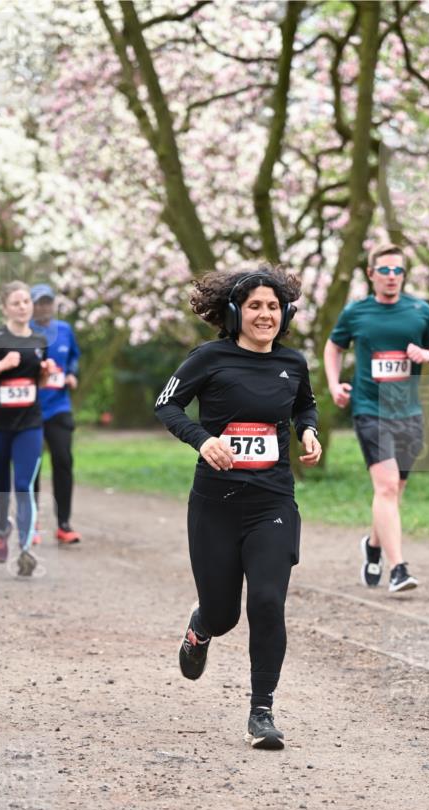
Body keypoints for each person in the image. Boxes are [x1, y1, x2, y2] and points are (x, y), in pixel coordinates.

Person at [155, 265, 321, 750]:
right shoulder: (208, 359)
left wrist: (307, 430)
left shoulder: (293, 363)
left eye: (273, 306)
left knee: (267, 602)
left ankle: (262, 711)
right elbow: (166, 406)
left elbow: (304, 406)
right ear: (235, 312)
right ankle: (202, 626)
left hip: (272, 501)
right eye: (254, 306)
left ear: (284, 312)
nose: (265, 314)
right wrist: (203, 440)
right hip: (215, 506)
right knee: (224, 614)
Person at [324, 243, 429, 593]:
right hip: (369, 409)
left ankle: (373, 546)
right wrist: (334, 384)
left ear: (404, 276)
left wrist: (427, 354)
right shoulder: (355, 312)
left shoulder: (421, 311)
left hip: (408, 412)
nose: (392, 277)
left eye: (398, 271)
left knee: (396, 489)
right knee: (387, 486)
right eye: (385, 270)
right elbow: (333, 347)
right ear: (371, 274)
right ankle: (398, 569)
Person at [0, 281, 57, 577]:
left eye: (26, 302)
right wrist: (2, 365)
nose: (22, 307)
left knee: (24, 485)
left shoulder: (40, 341)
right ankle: (3, 528)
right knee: (2, 487)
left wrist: (44, 374)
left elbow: (37, 385)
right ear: (4, 307)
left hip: (29, 424)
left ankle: (26, 548)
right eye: (16, 303)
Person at [29, 283, 81, 544]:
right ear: (31, 305)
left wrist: (71, 374)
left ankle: (63, 523)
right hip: (30, 409)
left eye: (48, 302)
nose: (44, 307)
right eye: (39, 302)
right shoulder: (23, 332)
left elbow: (73, 357)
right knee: (32, 466)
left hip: (59, 407)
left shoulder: (64, 330)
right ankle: (32, 523)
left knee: (63, 462)